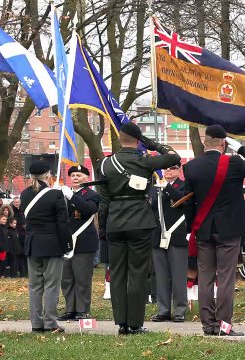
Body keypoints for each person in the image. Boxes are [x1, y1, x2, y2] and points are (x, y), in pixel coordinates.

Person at [184, 125, 245, 336]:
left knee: (205, 278)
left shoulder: (191, 167)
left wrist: (190, 228)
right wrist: (240, 148)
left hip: (203, 229)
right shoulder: (234, 163)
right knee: (226, 278)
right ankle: (223, 325)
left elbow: (188, 202)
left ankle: (208, 325)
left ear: (205, 142)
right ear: (223, 143)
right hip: (229, 229)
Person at [97, 122, 181, 335]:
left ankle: (121, 323)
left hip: (115, 221)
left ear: (119, 139)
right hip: (140, 221)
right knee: (137, 272)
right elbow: (174, 157)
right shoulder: (144, 161)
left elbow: (104, 200)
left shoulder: (105, 164)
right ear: (138, 140)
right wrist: (152, 143)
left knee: (117, 273)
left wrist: (104, 227)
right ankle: (135, 322)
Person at [21, 161, 73, 333]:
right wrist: (68, 245)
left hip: (33, 243)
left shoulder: (24, 194)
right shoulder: (55, 195)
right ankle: (50, 322)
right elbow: (63, 223)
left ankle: (36, 322)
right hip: (52, 244)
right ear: (48, 175)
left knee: (35, 286)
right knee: (51, 284)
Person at [57, 165, 100, 322]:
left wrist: (71, 197)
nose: (75, 177)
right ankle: (70, 309)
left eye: (79, 175)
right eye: (73, 175)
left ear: (86, 178)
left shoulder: (92, 194)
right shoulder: (62, 195)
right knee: (66, 279)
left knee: (82, 279)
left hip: (83, 243)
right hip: (66, 242)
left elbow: (88, 209)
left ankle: (82, 310)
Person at [150, 164, 189, 323]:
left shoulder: (184, 186)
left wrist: (166, 187)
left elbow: (181, 199)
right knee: (161, 276)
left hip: (176, 236)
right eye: (165, 168)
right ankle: (163, 310)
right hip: (158, 236)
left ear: (179, 170)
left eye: (172, 168)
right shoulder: (155, 188)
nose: (168, 171)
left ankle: (180, 310)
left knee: (178, 275)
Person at [10, 197, 27, 277]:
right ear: (13, 203)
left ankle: (23, 273)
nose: (17, 203)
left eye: (18, 202)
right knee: (16, 255)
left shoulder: (22, 211)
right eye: (16, 202)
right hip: (15, 234)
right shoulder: (12, 212)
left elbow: (23, 221)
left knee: (23, 255)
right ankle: (14, 273)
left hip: (23, 234)